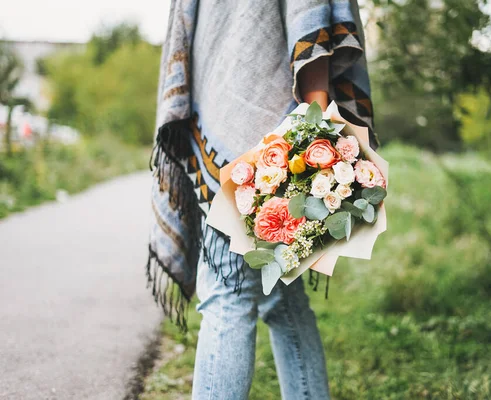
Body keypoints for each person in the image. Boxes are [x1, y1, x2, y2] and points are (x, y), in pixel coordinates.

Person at [147, 1, 376, 399]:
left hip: (278, 140)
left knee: (228, 293)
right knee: (281, 301)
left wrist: (314, 132)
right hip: (263, 129)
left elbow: (311, 23)